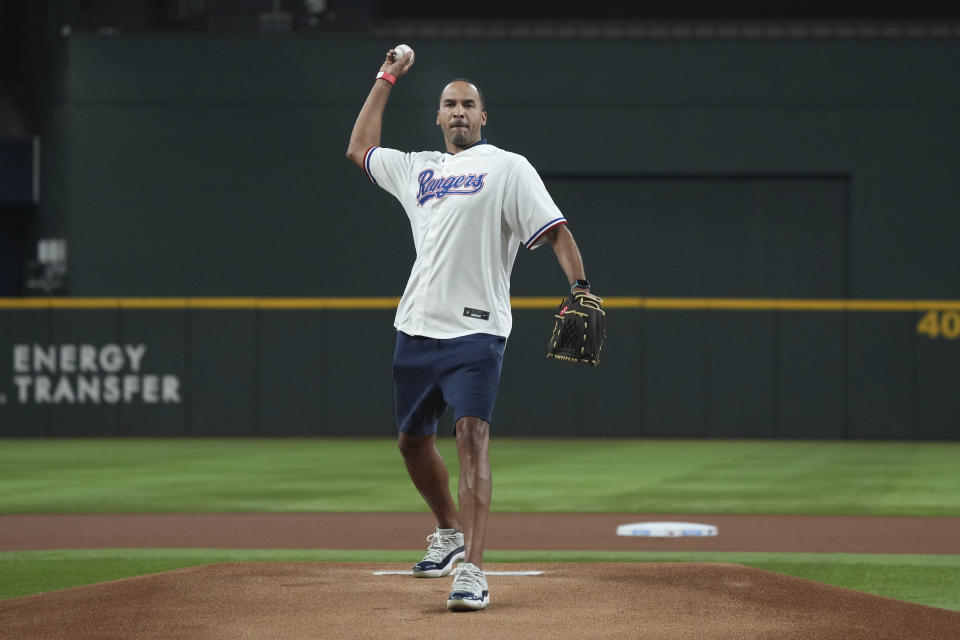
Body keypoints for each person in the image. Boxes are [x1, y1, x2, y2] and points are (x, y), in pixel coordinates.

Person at [346, 46, 596, 612]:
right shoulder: (419, 170)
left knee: (470, 438)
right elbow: (359, 148)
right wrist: (387, 77)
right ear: (437, 117)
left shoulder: (508, 167)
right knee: (412, 443)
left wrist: (579, 287)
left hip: (477, 332)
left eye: (468, 104)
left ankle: (474, 572)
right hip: (415, 327)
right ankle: (449, 532)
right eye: (449, 104)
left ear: (484, 117)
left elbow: (556, 232)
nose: (458, 111)